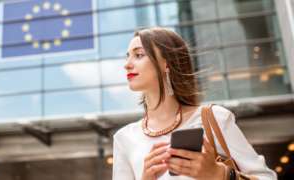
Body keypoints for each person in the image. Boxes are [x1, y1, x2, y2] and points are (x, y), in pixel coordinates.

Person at [112, 27, 276, 180]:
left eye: (139, 55)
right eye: (128, 56)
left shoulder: (214, 118)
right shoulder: (124, 138)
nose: (127, 64)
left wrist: (220, 174)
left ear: (167, 63)